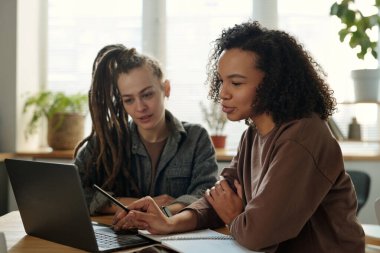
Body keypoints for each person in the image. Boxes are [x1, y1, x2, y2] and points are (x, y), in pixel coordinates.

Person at [112, 21, 365, 252]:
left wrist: (234, 216)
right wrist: (169, 222)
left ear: (272, 83)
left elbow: (257, 234)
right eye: (222, 81)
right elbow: (216, 200)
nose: (223, 93)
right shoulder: (253, 135)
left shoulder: (304, 136)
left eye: (236, 83)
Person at [74, 44, 218, 216]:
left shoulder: (196, 138)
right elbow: (73, 190)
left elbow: (205, 195)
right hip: (120, 235)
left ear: (166, 89)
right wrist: (136, 205)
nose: (140, 107)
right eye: (129, 100)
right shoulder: (109, 140)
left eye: (147, 95)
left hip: (175, 238)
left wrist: (162, 213)